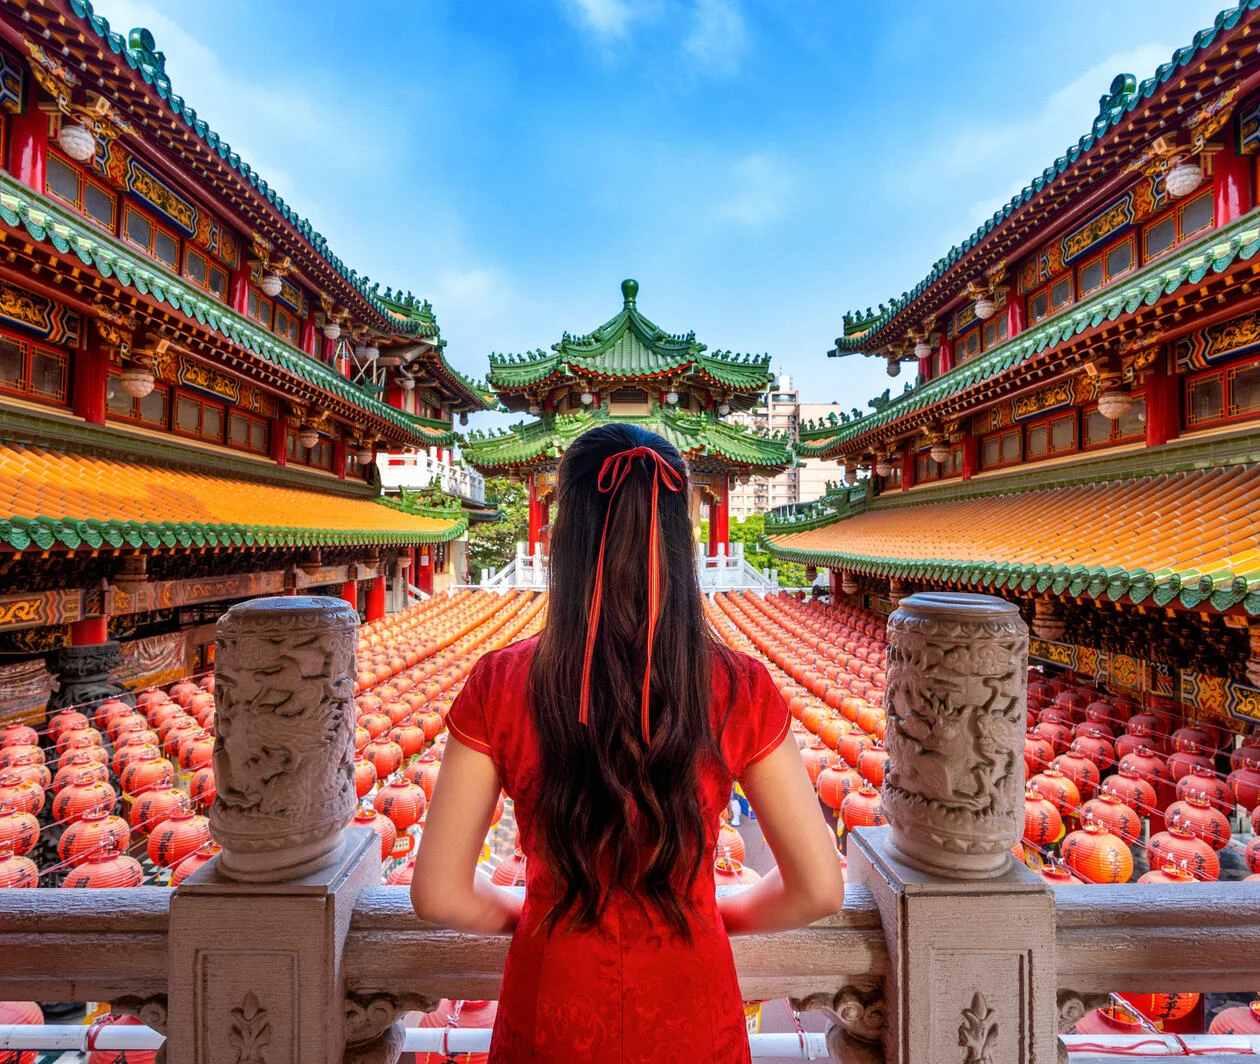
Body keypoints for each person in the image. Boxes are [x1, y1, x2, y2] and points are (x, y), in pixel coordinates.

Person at [411, 424, 844, 1063]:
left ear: (567, 538)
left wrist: (534, 909)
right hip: (691, 1011)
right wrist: (708, 909)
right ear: (679, 540)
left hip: (552, 1004)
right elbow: (819, 889)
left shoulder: (499, 684)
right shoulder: (739, 687)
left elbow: (438, 893)